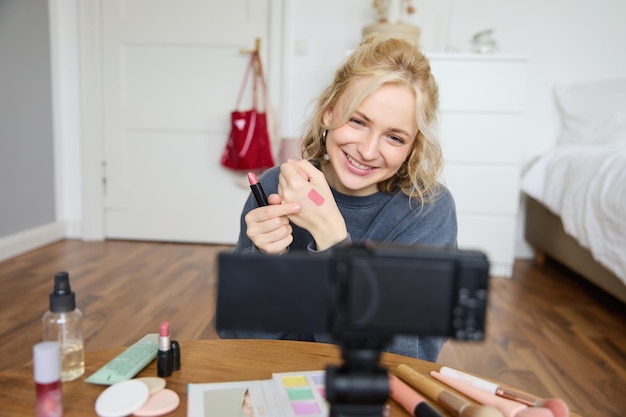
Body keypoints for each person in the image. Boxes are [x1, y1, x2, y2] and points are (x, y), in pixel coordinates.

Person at [221, 34, 457, 363]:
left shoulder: (427, 211)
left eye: (394, 137)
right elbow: (239, 339)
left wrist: (333, 242)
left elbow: (399, 360)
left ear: (414, 145)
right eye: (358, 121)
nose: (368, 151)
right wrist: (264, 262)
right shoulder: (277, 185)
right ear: (329, 113)